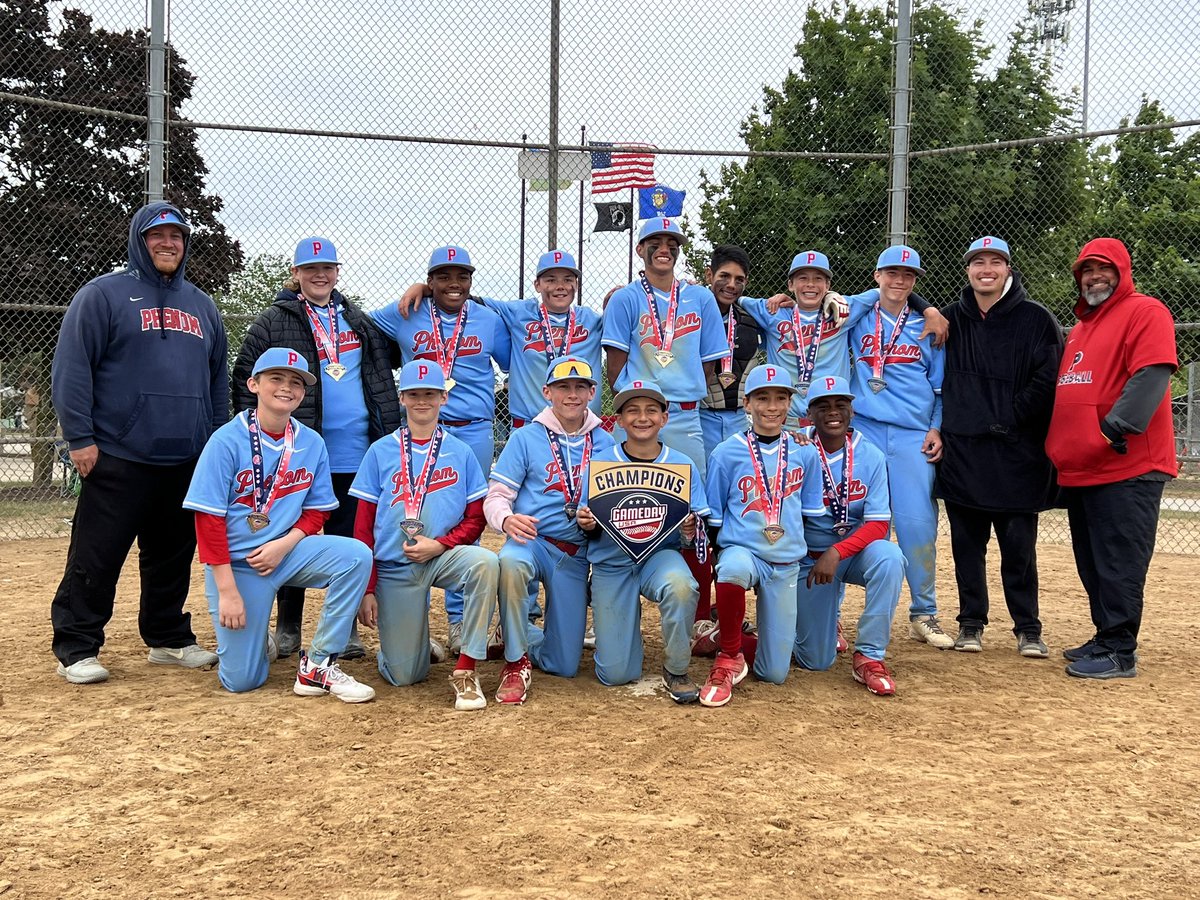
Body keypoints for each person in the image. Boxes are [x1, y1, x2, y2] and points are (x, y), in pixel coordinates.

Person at [50, 202, 228, 684]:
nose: (168, 243)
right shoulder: (103, 295)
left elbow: (216, 384)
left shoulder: (203, 305)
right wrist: (80, 438)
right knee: (97, 553)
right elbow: (71, 370)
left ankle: (167, 637)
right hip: (117, 452)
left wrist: (215, 447)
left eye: (177, 236)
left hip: (185, 456)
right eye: (157, 235)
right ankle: (77, 645)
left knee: (172, 554)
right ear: (139, 240)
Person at [231, 236, 403, 661]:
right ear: (296, 274)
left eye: (327, 267)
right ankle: (287, 628)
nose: (320, 275)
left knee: (349, 539)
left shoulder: (358, 321)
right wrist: (258, 443)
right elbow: (242, 380)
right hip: (297, 456)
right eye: (310, 269)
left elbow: (383, 371)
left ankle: (343, 630)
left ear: (337, 272)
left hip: (355, 453)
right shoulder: (273, 320)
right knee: (288, 535)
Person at [183, 349, 375, 702]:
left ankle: (318, 664)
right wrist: (227, 592)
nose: (287, 388)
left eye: (296, 382)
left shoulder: (311, 442)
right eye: (276, 378)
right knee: (241, 681)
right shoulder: (225, 441)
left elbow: (318, 512)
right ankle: (260, 638)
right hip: (239, 566)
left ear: (303, 393)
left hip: (287, 552)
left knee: (356, 555)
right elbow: (208, 521)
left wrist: (285, 543)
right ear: (253, 384)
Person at [1046, 238, 1178, 680]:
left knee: (1120, 558)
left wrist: (1112, 429)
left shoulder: (1146, 311)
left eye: (1103, 269)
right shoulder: (1083, 326)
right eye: (1086, 270)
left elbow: (1152, 374)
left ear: (1122, 272)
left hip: (1127, 463)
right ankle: (1105, 635)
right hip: (1086, 466)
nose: (1094, 277)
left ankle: (1120, 649)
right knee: (1092, 558)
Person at [371, 246, 511, 654]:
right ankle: (409, 614)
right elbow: (357, 322)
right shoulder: (408, 311)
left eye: (462, 276)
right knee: (412, 514)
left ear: (471, 281)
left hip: (472, 430)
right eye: (443, 277)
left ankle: (457, 621)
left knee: (465, 517)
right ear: (430, 281)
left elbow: (513, 359)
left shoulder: (488, 319)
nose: (454, 284)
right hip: (418, 428)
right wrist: (413, 291)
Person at [935, 237, 1063, 658]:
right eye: (977, 262)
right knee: (966, 547)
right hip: (964, 455)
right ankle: (971, 624)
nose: (985, 269)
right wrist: (926, 306)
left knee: (1018, 549)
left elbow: (1047, 381)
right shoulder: (950, 318)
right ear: (967, 270)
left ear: (1008, 269)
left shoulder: (1036, 318)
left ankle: (1028, 627)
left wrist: (1008, 418)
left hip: (1018, 455)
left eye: (995, 262)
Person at [350, 361, 501, 709]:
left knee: (486, 563)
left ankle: (466, 669)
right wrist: (367, 588)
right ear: (401, 398)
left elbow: (476, 518)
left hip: (442, 556)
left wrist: (441, 544)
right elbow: (362, 526)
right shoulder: (380, 451)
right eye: (414, 394)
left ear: (443, 398)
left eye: (430, 394)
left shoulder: (460, 451)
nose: (422, 401)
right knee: (405, 675)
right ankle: (414, 646)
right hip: (394, 565)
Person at [486, 356, 616, 699]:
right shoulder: (526, 437)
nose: (571, 395)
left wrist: (597, 523)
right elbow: (497, 495)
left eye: (579, 387)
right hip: (533, 540)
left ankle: (520, 633)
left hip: (573, 551)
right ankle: (515, 662)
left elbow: (614, 502)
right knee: (511, 563)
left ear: (592, 392)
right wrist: (507, 518)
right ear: (547, 392)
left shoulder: (605, 442)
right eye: (562, 387)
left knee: (564, 665)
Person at [575, 380, 709, 703]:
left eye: (651, 410)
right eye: (631, 410)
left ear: (665, 418)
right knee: (616, 675)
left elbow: (701, 533)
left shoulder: (682, 464)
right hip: (612, 561)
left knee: (681, 586)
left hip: (660, 557)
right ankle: (616, 628)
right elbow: (585, 525)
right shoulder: (599, 465)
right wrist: (588, 524)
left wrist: (692, 530)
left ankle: (676, 668)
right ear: (618, 419)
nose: (642, 417)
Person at [846, 245, 951, 650]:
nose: (899, 281)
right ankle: (834, 613)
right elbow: (828, 305)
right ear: (876, 276)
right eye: (891, 273)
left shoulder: (928, 327)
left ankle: (924, 613)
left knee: (917, 526)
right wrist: (928, 306)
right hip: (865, 429)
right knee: (849, 517)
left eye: (908, 275)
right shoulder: (858, 317)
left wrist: (936, 428)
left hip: (911, 434)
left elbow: (940, 390)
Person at [698, 364, 820, 707]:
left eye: (781, 398)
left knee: (774, 672)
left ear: (790, 403)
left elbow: (809, 513)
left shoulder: (804, 451)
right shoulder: (726, 451)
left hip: (785, 562)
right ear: (747, 404)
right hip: (744, 551)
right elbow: (716, 516)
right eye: (762, 398)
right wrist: (722, 557)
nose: (772, 407)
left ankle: (728, 633)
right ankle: (729, 655)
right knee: (732, 568)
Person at [396, 249, 603, 428]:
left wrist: (617, 296)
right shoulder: (518, 312)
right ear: (537, 285)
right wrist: (423, 288)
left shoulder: (593, 321)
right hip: (529, 424)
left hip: (583, 425)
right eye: (551, 280)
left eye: (568, 279)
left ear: (576, 284)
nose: (560, 286)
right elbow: (462, 296)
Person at [793, 376, 907, 695]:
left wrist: (837, 552)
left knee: (890, 558)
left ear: (852, 411)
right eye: (823, 405)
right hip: (806, 561)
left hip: (849, 554)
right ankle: (820, 626)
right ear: (809, 414)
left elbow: (877, 525)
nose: (833, 412)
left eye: (841, 404)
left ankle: (869, 655)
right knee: (814, 661)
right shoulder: (794, 447)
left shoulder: (870, 455)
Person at [601, 218, 726, 480]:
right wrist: (632, 406)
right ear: (639, 249)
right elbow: (614, 367)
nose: (664, 250)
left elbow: (709, 363)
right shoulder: (625, 298)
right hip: (638, 412)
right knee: (624, 493)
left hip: (685, 414)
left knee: (689, 497)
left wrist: (685, 389)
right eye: (655, 244)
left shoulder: (701, 297)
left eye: (672, 245)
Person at [699, 245, 762, 456]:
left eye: (739, 279)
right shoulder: (688, 314)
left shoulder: (751, 319)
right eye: (724, 276)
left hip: (739, 419)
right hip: (701, 416)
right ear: (709, 274)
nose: (731, 285)